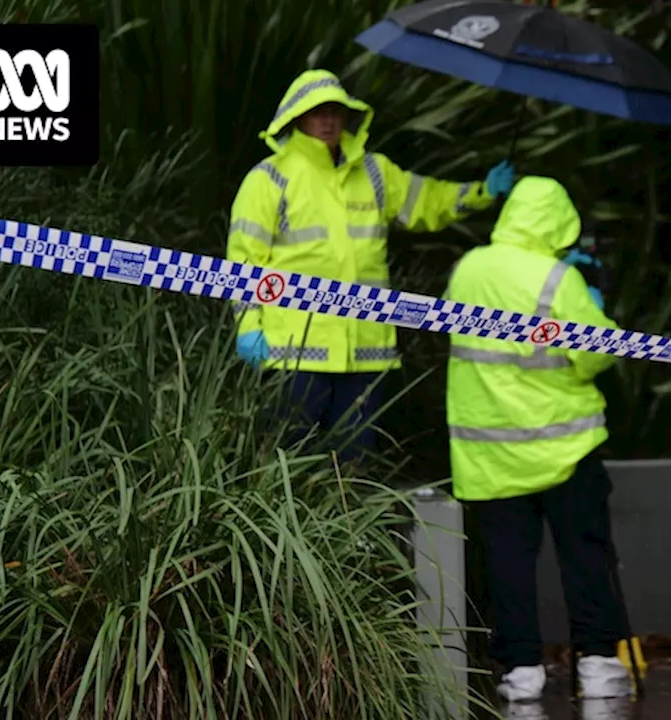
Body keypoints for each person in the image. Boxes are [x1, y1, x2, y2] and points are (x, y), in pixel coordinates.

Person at [226, 69, 515, 465]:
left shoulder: (375, 172)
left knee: (357, 472)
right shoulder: (269, 179)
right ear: (296, 117)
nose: (328, 120)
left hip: (364, 355)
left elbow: (427, 200)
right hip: (293, 355)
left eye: (335, 111)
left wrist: (482, 192)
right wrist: (248, 326)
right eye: (317, 112)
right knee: (288, 470)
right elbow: (244, 260)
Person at [443, 175, 633, 703]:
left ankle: (521, 671)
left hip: (489, 452)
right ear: (558, 222)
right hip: (564, 446)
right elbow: (595, 354)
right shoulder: (557, 278)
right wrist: (596, 305)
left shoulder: (466, 270)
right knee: (585, 555)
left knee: (506, 562)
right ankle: (596, 664)